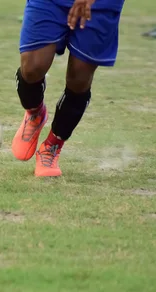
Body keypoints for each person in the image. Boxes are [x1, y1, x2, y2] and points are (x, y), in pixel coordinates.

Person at [13, 0, 125, 177]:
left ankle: (52, 146)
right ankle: (35, 113)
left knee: (79, 78)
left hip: (100, 5)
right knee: (32, 67)